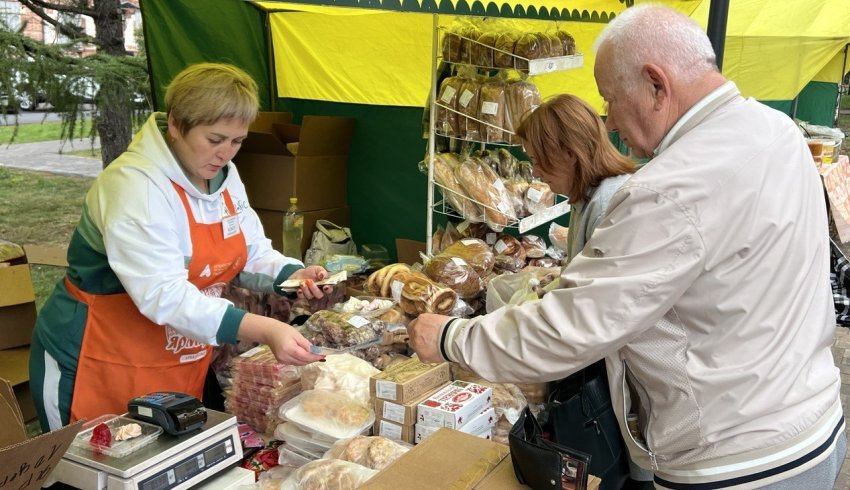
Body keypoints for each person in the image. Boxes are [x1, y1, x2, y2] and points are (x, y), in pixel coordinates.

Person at [409, 5, 846, 489]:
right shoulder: (776, 130)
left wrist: (452, 338)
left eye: (612, 100)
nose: (611, 123)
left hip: (736, 460)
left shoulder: (669, 188)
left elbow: (573, 327)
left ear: (657, 84)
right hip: (813, 422)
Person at [30, 62, 328, 432]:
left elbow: (247, 250)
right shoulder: (135, 186)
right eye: (215, 139)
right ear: (175, 124)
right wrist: (264, 328)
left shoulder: (222, 176)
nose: (226, 154)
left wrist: (291, 274)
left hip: (173, 358)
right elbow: (163, 294)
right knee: (90, 469)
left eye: (237, 141)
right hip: (98, 358)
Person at [515, 93, 641, 489]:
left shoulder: (609, 202)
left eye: (539, 159)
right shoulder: (585, 197)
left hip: (620, 386)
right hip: (605, 375)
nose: (536, 172)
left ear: (569, 153)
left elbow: (602, 308)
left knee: (616, 475)